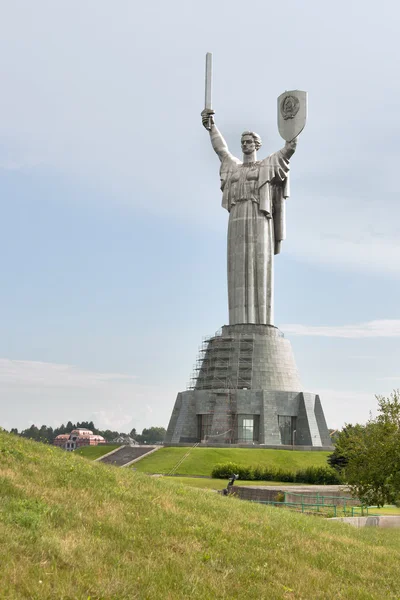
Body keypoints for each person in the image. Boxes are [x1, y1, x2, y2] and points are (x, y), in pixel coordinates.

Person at [201, 108, 297, 326]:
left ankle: (260, 322)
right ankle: (238, 322)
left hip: (259, 218)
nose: (245, 145)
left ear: (256, 145)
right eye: (243, 142)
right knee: (237, 269)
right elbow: (221, 149)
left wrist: (293, 128)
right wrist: (211, 127)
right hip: (236, 219)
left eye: (249, 142)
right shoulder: (233, 168)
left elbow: (289, 149)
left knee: (258, 265)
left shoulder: (267, 165)